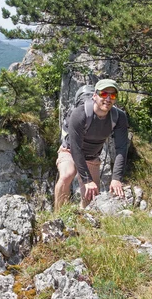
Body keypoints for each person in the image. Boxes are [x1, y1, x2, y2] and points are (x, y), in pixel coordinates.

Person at [54, 79, 129, 211]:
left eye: (112, 95)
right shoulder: (79, 114)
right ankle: (59, 215)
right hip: (70, 151)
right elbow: (76, 148)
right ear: (95, 96)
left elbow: (121, 149)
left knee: (91, 199)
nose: (108, 99)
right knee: (67, 175)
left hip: (92, 156)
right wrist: (87, 180)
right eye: (104, 94)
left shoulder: (119, 117)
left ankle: (85, 222)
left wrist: (116, 178)